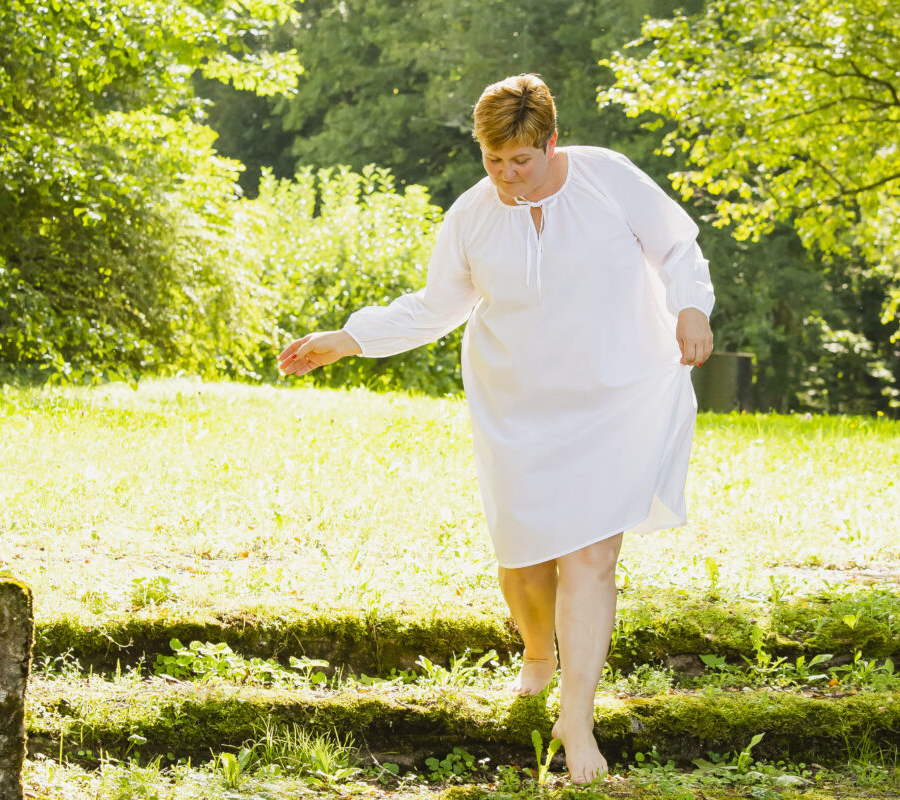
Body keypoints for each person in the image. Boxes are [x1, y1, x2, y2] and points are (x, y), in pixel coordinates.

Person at [278, 74, 714, 784]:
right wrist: (349, 338)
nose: (507, 176)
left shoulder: (607, 178)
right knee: (522, 561)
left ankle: (576, 719)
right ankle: (537, 652)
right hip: (517, 406)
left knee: (592, 557)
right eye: (493, 161)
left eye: (521, 160)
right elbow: (435, 305)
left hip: (613, 394)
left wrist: (690, 307)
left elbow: (677, 249)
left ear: (550, 142)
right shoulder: (475, 213)